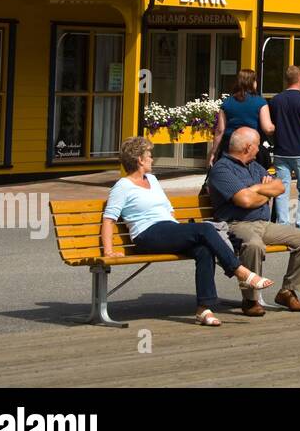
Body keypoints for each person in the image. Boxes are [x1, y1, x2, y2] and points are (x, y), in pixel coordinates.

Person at [101, 137, 273, 326]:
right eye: (149, 155)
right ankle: (241, 273)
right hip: (146, 235)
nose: (152, 159)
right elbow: (109, 219)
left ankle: (204, 309)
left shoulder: (151, 179)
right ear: (139, 160)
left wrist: (178, 229)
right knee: (205, 229)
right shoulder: (123, 186)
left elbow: (167, 208)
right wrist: (108, 251)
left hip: (168, 229)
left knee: (204, 249)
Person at [208, 127, 300, 316]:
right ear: (247, 147)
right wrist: (264, 192)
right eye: (258, 145)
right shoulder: (222, 169)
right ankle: (250, 299)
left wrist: (255, 189)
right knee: (253, 245)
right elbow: (245, 201)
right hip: (236, 224)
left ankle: (288, 291)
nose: (260, 149)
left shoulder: (254, 166)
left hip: (263, 224)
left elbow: (279, 186)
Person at [268, 65, 300, 233]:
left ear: (286, 80)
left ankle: (283, 227)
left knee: (282, 189)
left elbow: (270, 127)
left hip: (281, 151)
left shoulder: (275, 100)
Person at [208, 69, 274, 167]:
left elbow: (220, 130)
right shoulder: (260, 102)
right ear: (252, 83)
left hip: (230, 148)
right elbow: (267, 128)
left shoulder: (227, 102)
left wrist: (213, 152)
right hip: (252, 150)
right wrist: (275, 127)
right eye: (255, 80)